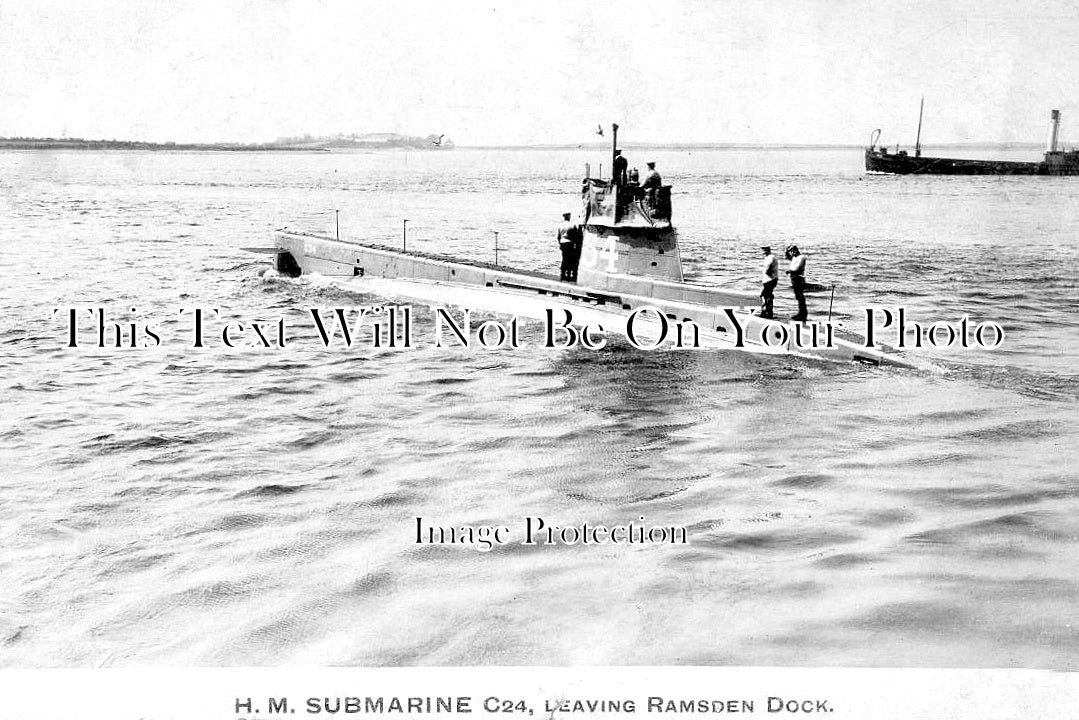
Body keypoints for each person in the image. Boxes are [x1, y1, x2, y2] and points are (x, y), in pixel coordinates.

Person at [557, 212, 583, 282]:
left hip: (563, 243)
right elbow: (576, 236)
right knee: (570, 260)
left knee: (564, 259)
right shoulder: (572, 225)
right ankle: (568, 274)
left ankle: (563, 275)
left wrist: (560, 244)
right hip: (570, 243)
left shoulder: (560, 225)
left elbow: (558, 237)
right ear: (569, 217)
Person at [785, 245, 808, 321]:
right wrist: (786, 251)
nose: (792, 253)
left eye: (792, 251)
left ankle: (803, 314)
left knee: (800, 296)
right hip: (794, 278)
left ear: (796, 250)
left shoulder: (801, 258)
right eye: (791, 252)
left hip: (799, 278)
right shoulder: (794, 257)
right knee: (798, 296)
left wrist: (789, 271)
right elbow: (787, 257)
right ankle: (800, 313)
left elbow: (796, 268)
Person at [758, 245, 778, 319]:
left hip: (770, 280)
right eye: (763, 250)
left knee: (765, 295)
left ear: (768, 250)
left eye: (764, 250)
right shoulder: (768, 257)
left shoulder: (770, 257)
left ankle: (767, 313)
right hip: (769, 280)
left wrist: (767, 272)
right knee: (767, 295)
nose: (763, 252)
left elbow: (769, 267)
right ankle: (767, 312)